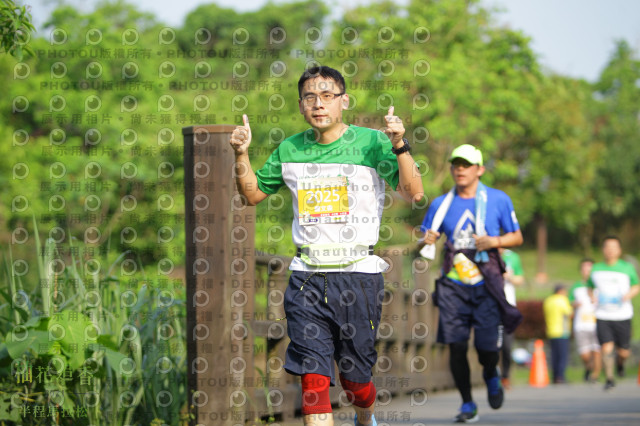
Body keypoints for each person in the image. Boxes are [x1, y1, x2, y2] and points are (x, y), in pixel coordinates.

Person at [229, 65, 424, 426]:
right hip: (306, 277)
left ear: (343, 101)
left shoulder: (371, 142)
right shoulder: (289, 148)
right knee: (313, 377)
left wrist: (399, 144)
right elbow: (252, 194)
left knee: (355, 381)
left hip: (358, 277)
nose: (318, 104)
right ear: (301, 105)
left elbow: (415, 192)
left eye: (327, 96)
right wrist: (241, 154)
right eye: (310, 97)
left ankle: (365, 417)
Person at [421, 144, 523, 423]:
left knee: (487, 348)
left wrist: (496, 241)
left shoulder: (498, 199)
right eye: (456, 164)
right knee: (455, 345)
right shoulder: (440, 204)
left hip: (487, 284)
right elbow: (424, 239)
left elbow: (517, 236)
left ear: (480, 169)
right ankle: (467, 403)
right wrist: (426, 240)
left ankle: (491, 373)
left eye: (466, 165)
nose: (460, 169)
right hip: (453, 285)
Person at [588, 236, 639, 390]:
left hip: (622, 315)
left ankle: (620, 363)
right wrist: (592, 297)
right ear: (603, 250)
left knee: (624, 352)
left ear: (619, 250)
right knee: (606, 347)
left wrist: (626, 296)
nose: (610, 250)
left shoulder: (627, 268)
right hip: (603, 315)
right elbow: (589, 287)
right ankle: (609, 378)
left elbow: (636, 286)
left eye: (613, 247)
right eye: (607, 247)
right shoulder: (596, 269)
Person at [568, 258, 601, 382]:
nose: (587, 271)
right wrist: (575, 304)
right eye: (584, 269)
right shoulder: (576, 286)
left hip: (597, 323)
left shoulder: (599, 286)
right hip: (581, 324)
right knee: (585, 354)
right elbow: (569, 302)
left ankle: (595, 375)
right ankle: (589, 366)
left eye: (589, 268)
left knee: (597, 351)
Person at [499, 247, 525, 389]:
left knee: (507, 345)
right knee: (490, 343)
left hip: (508, 305)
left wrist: (508, 277)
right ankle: (491, 375)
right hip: (489, 304)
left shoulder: (513, 257)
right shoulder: (483, 253)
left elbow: (520, 278)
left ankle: (505, 376)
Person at [543, 284, 573, 384]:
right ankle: (560, 377)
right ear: (561, 291)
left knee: (554, 355)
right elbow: (569, 313)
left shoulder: (548, 300)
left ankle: (555, 376)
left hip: (551, 331)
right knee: (562, 356)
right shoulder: (562, 300)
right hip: (562, 331)